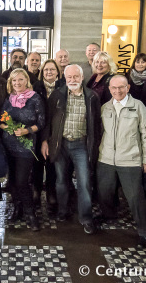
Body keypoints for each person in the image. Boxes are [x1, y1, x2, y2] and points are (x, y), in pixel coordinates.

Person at [41, 65, 101, 234]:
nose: (73, 80)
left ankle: (86, 218)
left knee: (84, 182)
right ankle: (62, 211)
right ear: (65, 78)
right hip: (61, 144)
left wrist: (95, 146)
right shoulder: (57, 95)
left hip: (81, 145)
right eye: (69, 77)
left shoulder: (91, 97)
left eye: (76, 77)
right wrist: (46, 140)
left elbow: (97, 125)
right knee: (61, 181)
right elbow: (48, 119)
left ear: (82, 78)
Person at [97, 75, 146, 247]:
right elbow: (100, 133)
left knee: (135, 197)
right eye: (113, 88)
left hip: (130, 160)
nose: (117, 91)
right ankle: (109, 214)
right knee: (104, 192)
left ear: (128, 87)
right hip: (106, 158)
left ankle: (144, 231)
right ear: (109, 89)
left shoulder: (138, 107)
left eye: (121, 87)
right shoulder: (105, 108)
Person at [0, 68, 45, 231]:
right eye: (14, 81)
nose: (17, 83)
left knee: (22, 181)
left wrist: (26, 130)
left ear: (27, 81)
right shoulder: (9, 99)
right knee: (12, 181)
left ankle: (30, 214)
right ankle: (17, 208)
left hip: (26, 146)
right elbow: (1, 120)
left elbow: (41, 123)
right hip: (9, 145)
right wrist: (8, 127)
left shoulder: (35, 99)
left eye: (20, 80)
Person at [32, 59, 63, 210]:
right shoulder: (36, 87)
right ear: (42, 72)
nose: (49, 72)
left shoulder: (63, 87)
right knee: (37, 163)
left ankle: (51, 192)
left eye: (52, 69)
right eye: (46, 70)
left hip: (56, 132)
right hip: (38, 132)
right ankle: (36, 191)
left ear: (57, 71)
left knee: (52, 164)